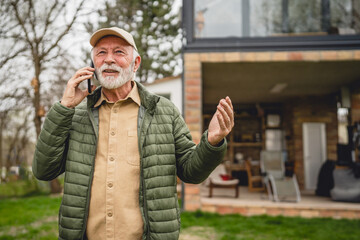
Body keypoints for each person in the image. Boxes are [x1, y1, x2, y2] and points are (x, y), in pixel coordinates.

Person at [32, 27, 234, 240]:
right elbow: (44, 171)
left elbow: (191, 172)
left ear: (135, 63)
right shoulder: (73, 114)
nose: (109, 59)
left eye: (119, 52)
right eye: (101, 53)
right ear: (93, 65)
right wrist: (64, 107)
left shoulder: (164, 111)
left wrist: (212, 142)